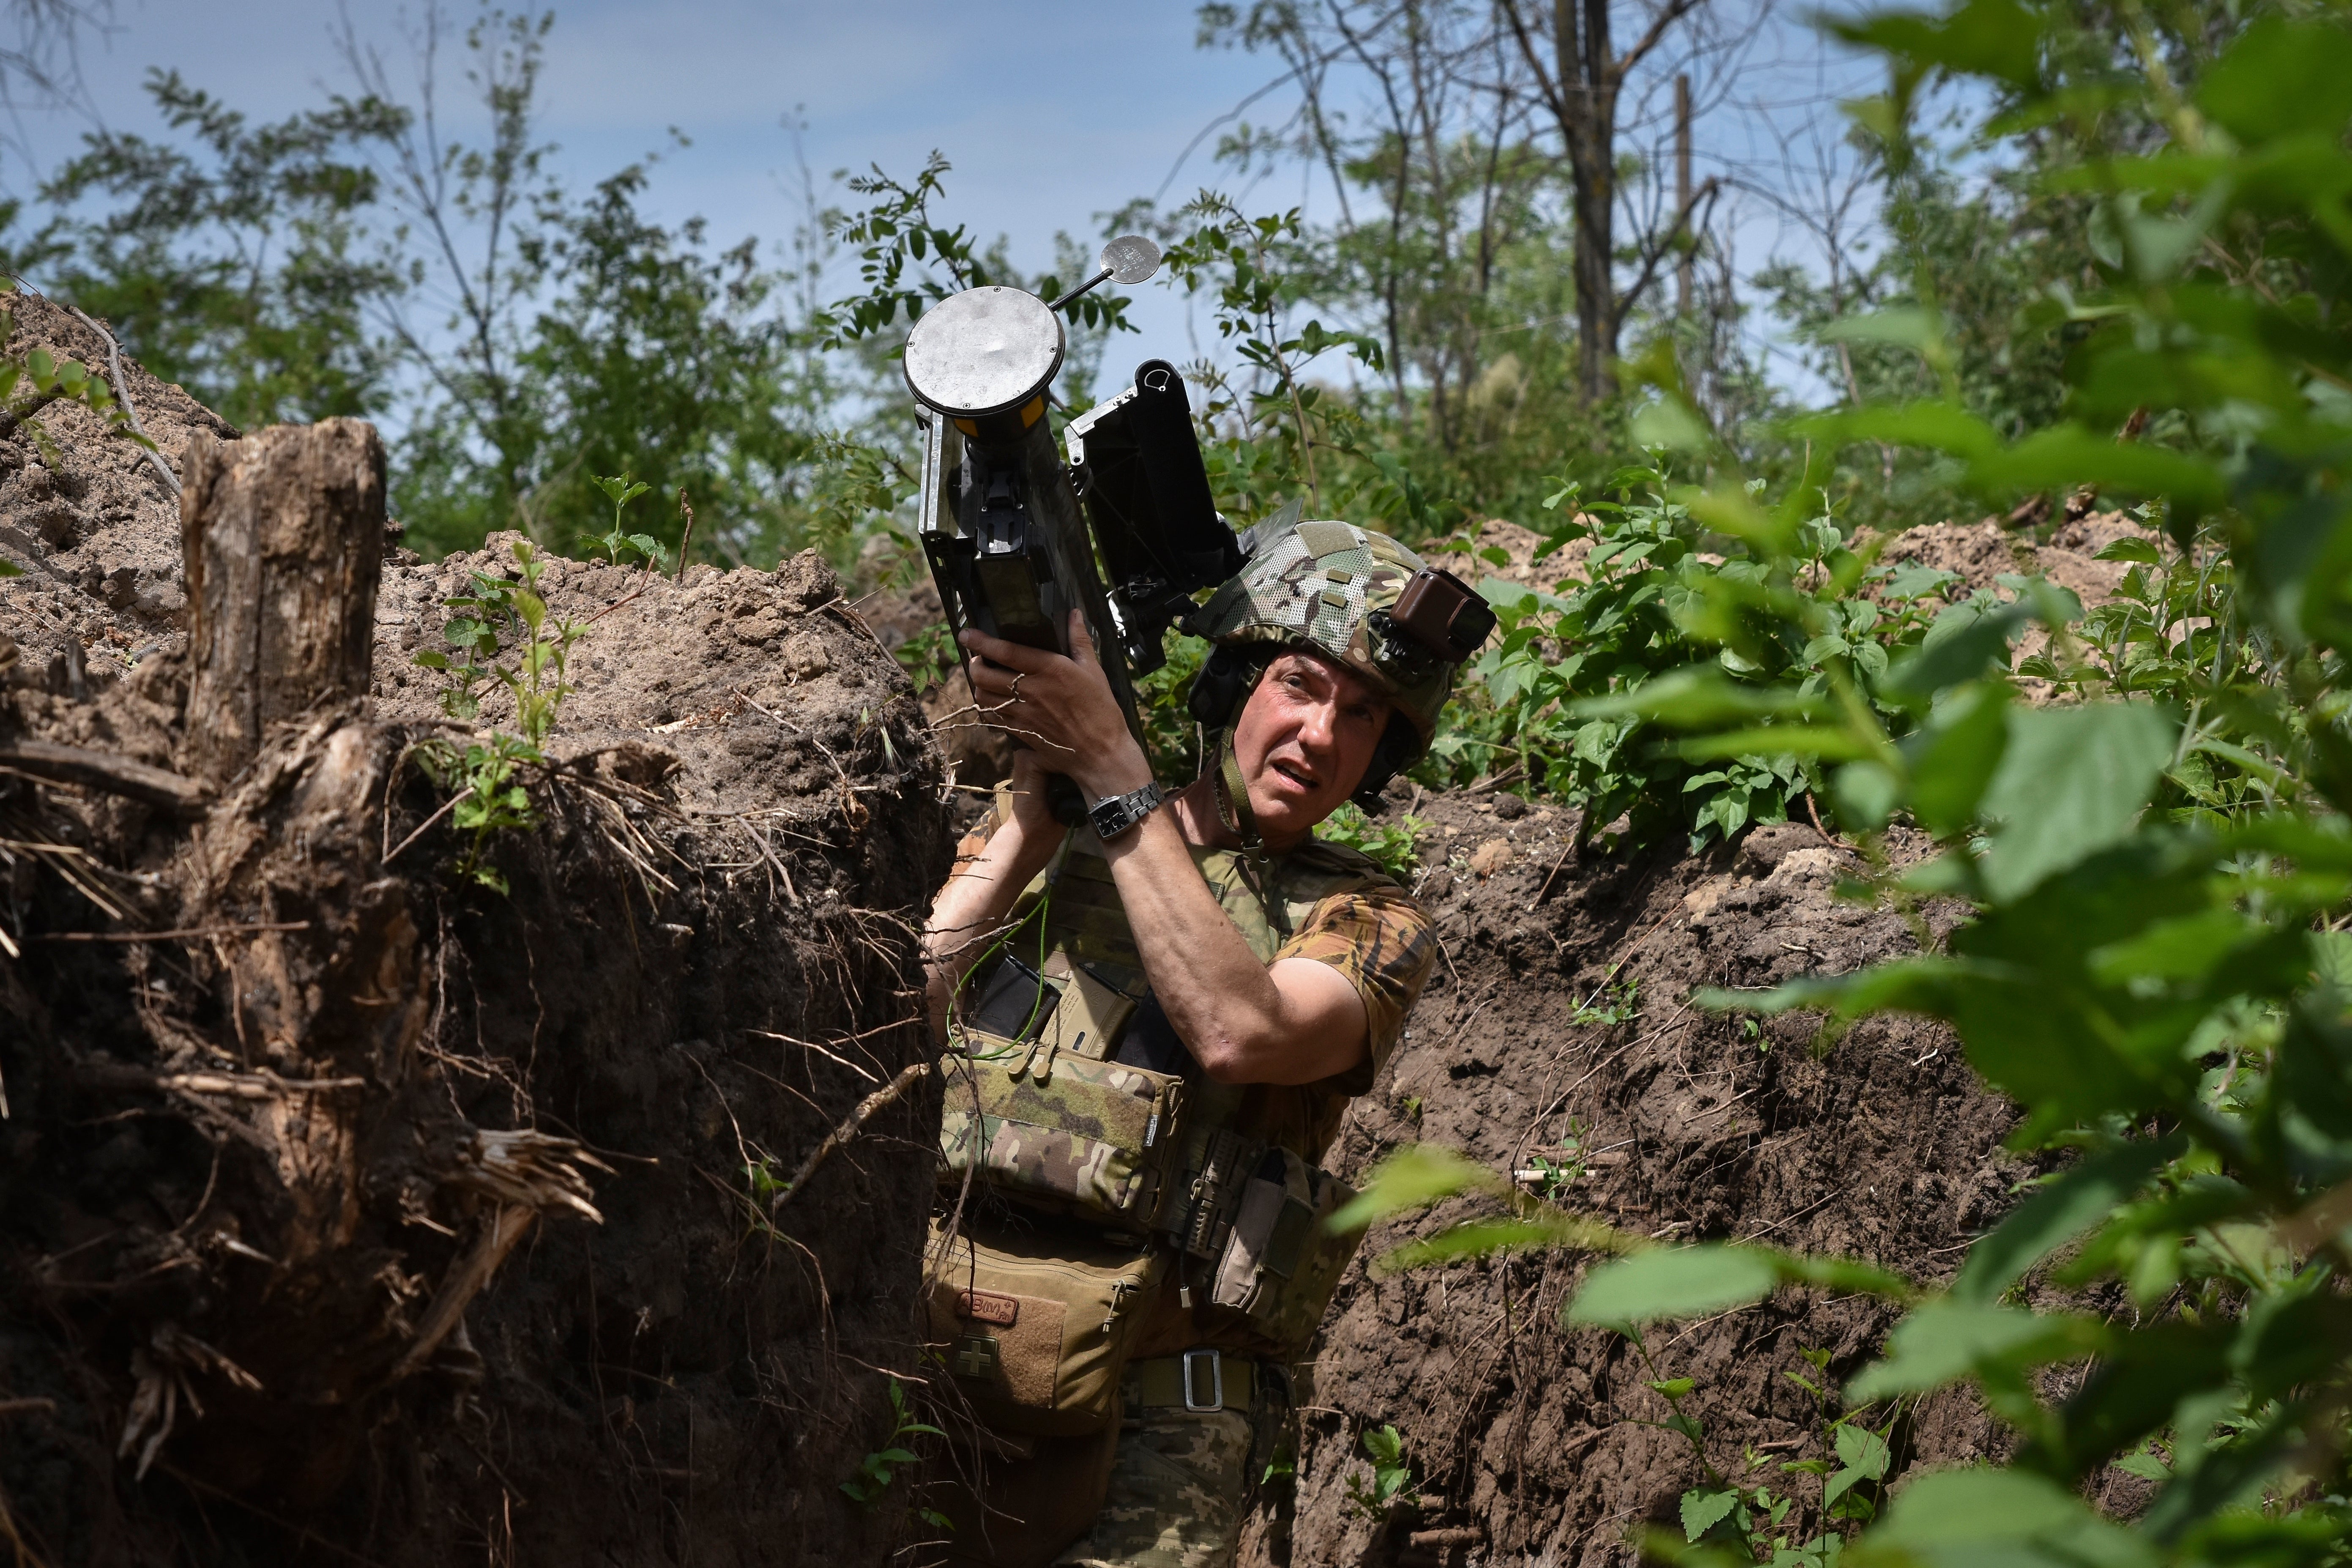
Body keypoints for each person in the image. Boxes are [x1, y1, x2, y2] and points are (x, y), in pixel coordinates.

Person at [919, 520, 1485, 1568]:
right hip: (950, 1363)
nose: (1322, 734)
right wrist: (1033, 831)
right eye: (1300, 686)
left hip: (1166, 1422)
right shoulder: (1056, 832)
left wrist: (1114, 777)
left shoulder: (1370, 917)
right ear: (1230, 687)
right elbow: (897, 1018)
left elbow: (1239, 1031)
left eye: (1362, 716)